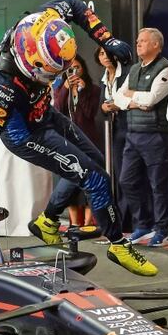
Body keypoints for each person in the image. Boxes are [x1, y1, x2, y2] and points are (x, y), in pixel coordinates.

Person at [0, 0, 157, 276]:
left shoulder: (43, 21)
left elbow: (74, 5)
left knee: (96, 161)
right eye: (50, 71)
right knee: (95, 179)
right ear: (31, 62)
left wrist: (106, 39)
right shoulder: (0, 86)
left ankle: (47, 221)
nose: (57, 75)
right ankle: (118, 244)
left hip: (44, 114)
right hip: (24, 133)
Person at [113, 28, 168, 247]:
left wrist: (132, 98)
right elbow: (117, 96)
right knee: (126, 180)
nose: (138, 44)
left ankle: (162, 229)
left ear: (156, 45)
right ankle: (143, 225)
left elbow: (151, 100)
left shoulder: (166, 68)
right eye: (138, 41)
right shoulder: (135, 69)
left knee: (158, 185)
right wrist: (134, 101)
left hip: (156, 136)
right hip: (133, 135)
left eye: (143, 41)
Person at [52, 54, 102, 226]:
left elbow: (90, 112)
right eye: (70, 69)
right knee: (70, 180)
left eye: (77, 68)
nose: (74, 72)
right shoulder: (60, 88)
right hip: (67, 140)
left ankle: (88, 223)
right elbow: (57, 108)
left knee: (88, 179)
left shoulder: (93, 89)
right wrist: (66, 88)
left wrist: (81, 92)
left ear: (83, 69)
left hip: (88, 140)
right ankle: (74, 223)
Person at [97, 45, 135, 233]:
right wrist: (105, 108)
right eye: (101, 54)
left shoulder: (127, 73)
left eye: (107, 53)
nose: (104, 57)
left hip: (129, 127)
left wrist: (117, 105)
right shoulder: (103, 78)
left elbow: (130, 97)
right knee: (114, 174)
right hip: (111, 129)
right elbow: (100, 105)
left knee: (126, 176)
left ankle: (128, 220)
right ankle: (117, 219)